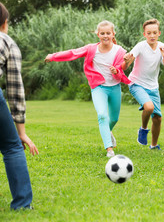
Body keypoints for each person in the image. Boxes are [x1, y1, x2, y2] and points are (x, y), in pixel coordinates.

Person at [45, 20, 130, 157]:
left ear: (113, 34)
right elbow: (72, 53)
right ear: (98, 34)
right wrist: (53, 56)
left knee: (114, 119)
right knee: (102, 115)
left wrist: (116, 72)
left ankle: (108, 132)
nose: (105, 36)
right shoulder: (91, 49)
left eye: (108, 33)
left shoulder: (120, 51)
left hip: (114, 87)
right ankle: (109, 149)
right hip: (98, 87)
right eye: (102, 33)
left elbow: (121, 71)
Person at [0, 2, 39, 210]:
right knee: (12, 147)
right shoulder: (5, 41)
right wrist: (21, 132)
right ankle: (22, 205)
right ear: (5, 23)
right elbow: (14, 88)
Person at [122, 19, 164, 150]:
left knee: (157, 118)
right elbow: (128, 62)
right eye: (149, 33)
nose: (152, 35)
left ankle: (154, 145)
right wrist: (127, 60)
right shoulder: (140, 46)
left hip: (153, 87)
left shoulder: (162, 47)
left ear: (159, 33)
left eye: (154, 32)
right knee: (149, 107)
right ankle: (143, 129)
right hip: (136, 83)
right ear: (144, 34)